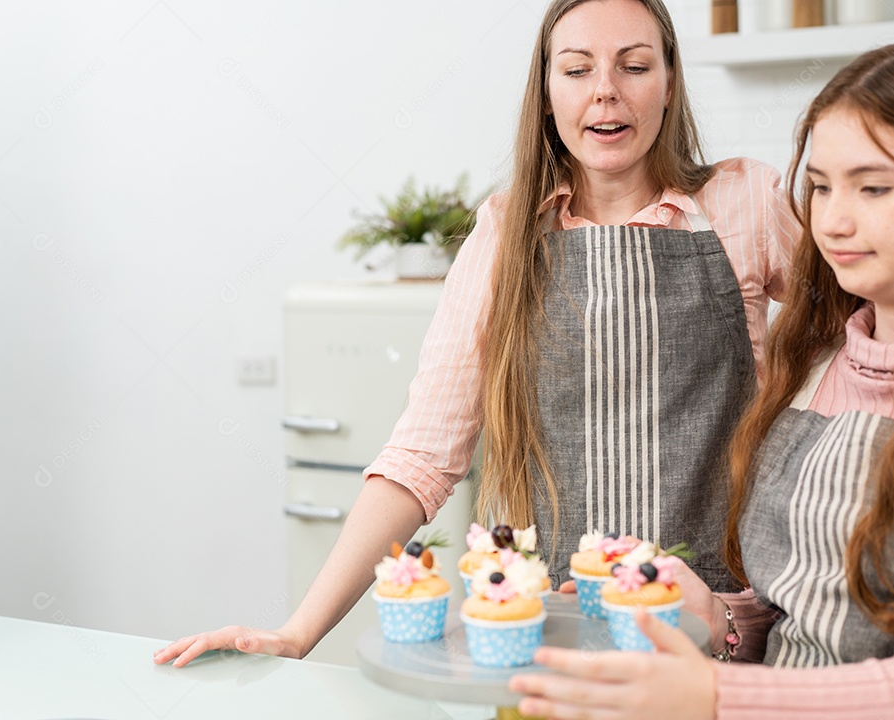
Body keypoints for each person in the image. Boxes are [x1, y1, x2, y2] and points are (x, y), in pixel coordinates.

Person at [154, 0, 797, 668]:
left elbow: (863, 331)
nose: (606, 87)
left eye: (634, 65)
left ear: (669, 82)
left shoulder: (743, 202)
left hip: (709, 637)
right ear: (547, 96)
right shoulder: (504, 234)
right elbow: (421, 456)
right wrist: (299, 631)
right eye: (577, 69)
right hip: (541, 640)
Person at [509, 40, 894, 719]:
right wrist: (717, 618)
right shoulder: (814, 374)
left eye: (875, 187)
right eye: (822, 186)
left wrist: (714, 695)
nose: (832, 220)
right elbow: (802, 621)